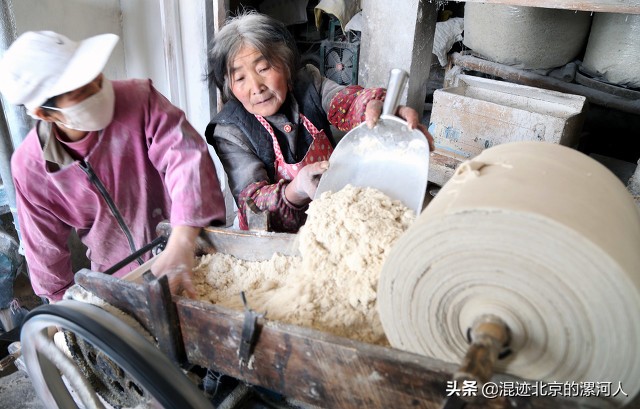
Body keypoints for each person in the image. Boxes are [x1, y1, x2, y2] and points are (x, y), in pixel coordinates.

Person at [0, 31, 226, 302]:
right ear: (45, 113)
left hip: (188, 248)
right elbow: (44, 249)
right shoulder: (31, 168)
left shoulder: (139, 99)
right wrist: (60, 304)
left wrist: (181, 241)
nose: (97, 89)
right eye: (80, 91)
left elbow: (186, 157)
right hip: (118, 280)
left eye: (95, 77)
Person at [205, 12, 434, 233]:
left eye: (263, 68)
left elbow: (345, 102)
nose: (256, 88)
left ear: (285, 64)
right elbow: (252, 205)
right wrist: (298, 188)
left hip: (327, 221)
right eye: (240, 78)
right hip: (271, 239)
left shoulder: (310, 84)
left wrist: (377, 109)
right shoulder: (230, 130)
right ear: (229, 87)